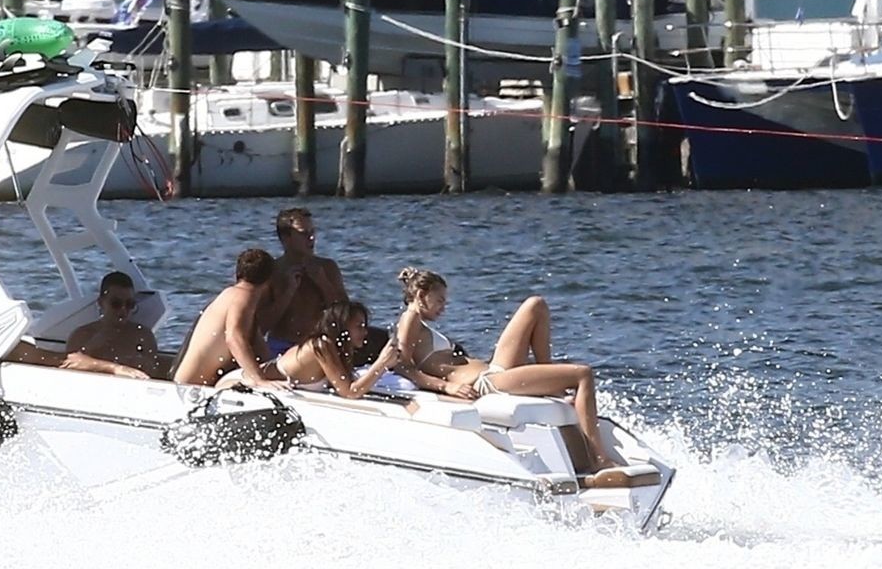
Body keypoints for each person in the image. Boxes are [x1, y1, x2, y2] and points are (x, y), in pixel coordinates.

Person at [390, 266, 630, 482]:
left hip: (493, 369)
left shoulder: (421, 324)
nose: (444, 307)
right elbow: (401, 365)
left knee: (536, 305)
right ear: (421, 295)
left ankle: (551, 385)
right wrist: (446, 386)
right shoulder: (410, 318)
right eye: (440, 300)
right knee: (583, 374)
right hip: (487, 382)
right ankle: (599, 459)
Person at [172, 248, 279, 387]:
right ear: (269, 280)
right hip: (190, 388)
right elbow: (234, 339)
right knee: (254, 379)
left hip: (190, 384)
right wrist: (259, 380)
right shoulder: (242, 297)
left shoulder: (233, 296)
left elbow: (264, 355)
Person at [259, 207, 350, 359]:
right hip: (281, 347)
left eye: (312, 232)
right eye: (303, 233)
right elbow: (261, 327)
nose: (311, 238)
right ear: (285, 238)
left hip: (317, 345)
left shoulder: (327, 267)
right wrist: (288, 292)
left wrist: (323, 283)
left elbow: (346, 316)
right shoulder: (272, 271)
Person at [271, 301, 401, 398]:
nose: (365, 332)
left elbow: (350, 386)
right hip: (266, 385)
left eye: (365, 326)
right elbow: (350, 392)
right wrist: (382, 363)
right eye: (359, 326)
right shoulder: (322, 345)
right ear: (342, 327)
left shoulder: (337, 348)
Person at [62, 271, 169, 379]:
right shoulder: (83, 334)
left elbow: (153, 373)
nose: (123, 310)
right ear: (101, 303)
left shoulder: (143, 336)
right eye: (116, 303)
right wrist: (115, 368)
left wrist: (144, 364)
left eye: (129, 304)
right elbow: (71, 363)